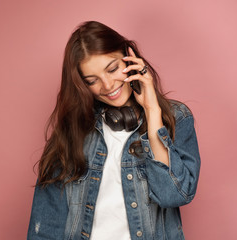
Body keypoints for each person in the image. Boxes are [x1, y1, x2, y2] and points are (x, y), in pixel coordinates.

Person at [27, 21, 201, 240]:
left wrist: (152, 111)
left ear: (129, 57)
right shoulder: (73, 130)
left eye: (112, 69)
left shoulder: (177, 117)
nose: (108, 86)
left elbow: (173, 195)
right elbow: (47, 225)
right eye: (92, 80)